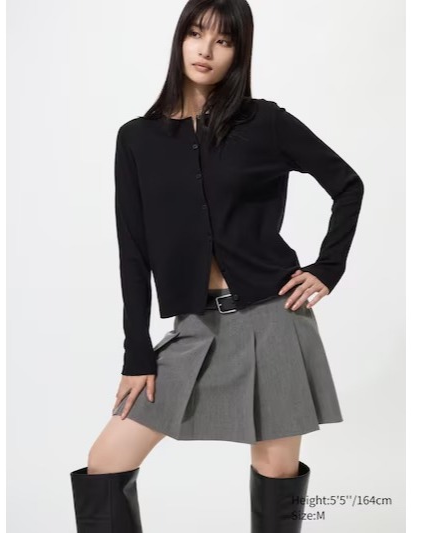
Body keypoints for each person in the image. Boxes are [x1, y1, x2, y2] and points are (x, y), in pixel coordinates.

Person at [70, 1, 364, 531]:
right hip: (196, 327)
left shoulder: (265, 122)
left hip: (274, 319)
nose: (206, 50)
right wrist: (137, 351)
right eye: (196, 34)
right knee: (106, 462)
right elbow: (132, 251)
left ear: (239, 52)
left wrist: (328, 267)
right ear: (179, 39)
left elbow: (347, 185)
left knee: (275, 470)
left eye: (223, 40)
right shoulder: (136, 138)